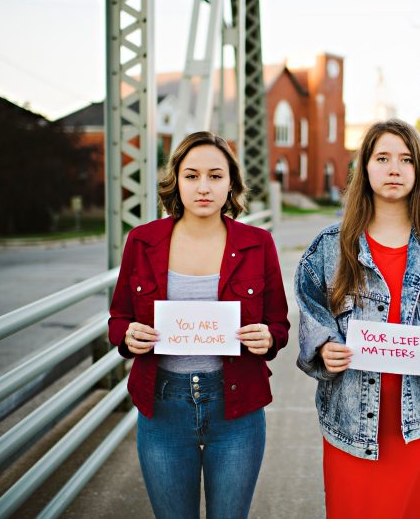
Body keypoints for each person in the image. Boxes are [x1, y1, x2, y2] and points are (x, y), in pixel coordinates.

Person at [295, 119, 420, 519]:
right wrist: (326, 346)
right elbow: (311, 308)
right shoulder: (331, 247)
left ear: (419, 170)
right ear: (365, 167)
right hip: (350, 423)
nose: (394, 168)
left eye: (405, 159)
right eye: (382, 158)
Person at [108, 131, 290, 519]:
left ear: (231, 184)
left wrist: (268, 337)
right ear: (176, 181)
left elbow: (278, 324)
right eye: (191, 176)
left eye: (215, 176)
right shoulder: (142, 241)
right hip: (163, 406)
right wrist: (127, 334)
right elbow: (118, 317)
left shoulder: (259, 243)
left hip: (237, 407)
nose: (203, 187)